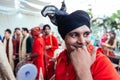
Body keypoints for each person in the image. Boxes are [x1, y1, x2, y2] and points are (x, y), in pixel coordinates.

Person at [41, 7, 120, 80]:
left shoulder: (100, 61)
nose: (82, 41)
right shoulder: (61, 58)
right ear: (64, 38)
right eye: (74, 35)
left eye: (86, 34)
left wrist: (84, 73)